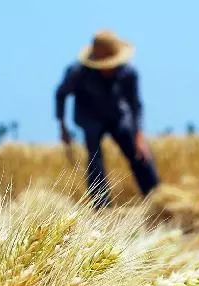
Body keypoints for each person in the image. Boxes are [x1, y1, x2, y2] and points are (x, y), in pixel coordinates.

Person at [55, 30, 160, 208]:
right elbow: (61, 94)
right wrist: (62, 126)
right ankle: (102, 206)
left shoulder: (128, 73)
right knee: (95, 157)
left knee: (139, 153)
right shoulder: (78, 73)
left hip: (117, 114)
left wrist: (139, 136)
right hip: (89, 116)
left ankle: (157, 198)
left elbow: (135, 105)